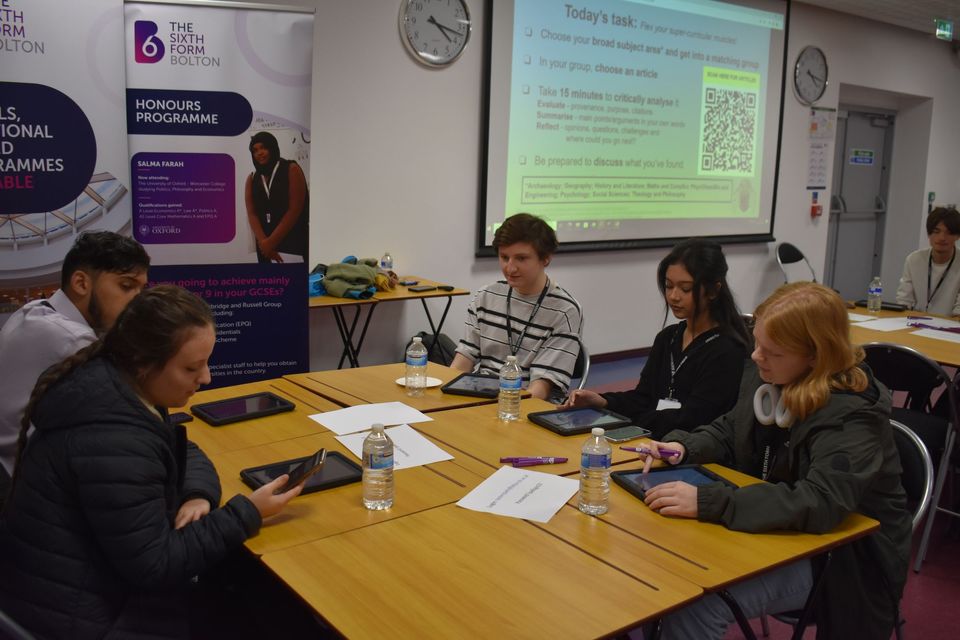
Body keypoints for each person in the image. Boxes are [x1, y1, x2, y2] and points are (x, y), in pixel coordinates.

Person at [0, 286, 304, 639]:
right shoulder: (114, 438)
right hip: (90, 620)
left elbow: (183, 449)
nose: (206, 378)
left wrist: (197, 496)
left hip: (75, 595)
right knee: (267, 604)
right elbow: (157, 565)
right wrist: (247, 512)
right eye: (192, 367)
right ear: (145, 363)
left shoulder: (116, 387)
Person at [638, 282, 911, 640]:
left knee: (693, 604)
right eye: (757, 344)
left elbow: (820, 501)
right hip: (780, 525)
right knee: (656, 573)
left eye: (772, 351)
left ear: (815, 355)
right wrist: (684, 448)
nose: (755, 356)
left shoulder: (852, 416)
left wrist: (711, 502)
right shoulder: (769, 373)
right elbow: (731, 428)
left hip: (845, 557)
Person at [0, 230, 150, 486]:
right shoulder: (73, 339)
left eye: (141, 289)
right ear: (81, 283)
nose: (138, 301)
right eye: (126, 286)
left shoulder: (33, 311)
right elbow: (131, 415)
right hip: (24, 483)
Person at [563, 238, 749, 439]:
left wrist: (631, 425)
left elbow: (694, 418)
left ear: (713, 290)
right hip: (652, 438)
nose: (674, 296)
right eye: (669, 286)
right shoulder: (668, 337)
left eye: (685, 289)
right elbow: (644, 397)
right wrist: (602, 401)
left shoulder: (727, 350)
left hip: (685, 449)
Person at [451, 213, 582, 402]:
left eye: (521, 258)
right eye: (504, 257)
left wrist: (502, 408)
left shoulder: (565, 311)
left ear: (545, 259)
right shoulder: (486, 296)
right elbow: (464, 358)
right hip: (481, 397)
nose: (510, 268)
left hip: (528, 405)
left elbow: (542, 388)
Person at [244, 131, 309, 263]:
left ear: (272, 148)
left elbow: (294, 210)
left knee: (292, 282)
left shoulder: (291, 169)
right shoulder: (252, 178)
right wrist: (264, 243)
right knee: (267, 282)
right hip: (265, 249)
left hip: (292, 242)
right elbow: (252, 213)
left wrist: (271, 242)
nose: (259, 153)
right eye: (255, 150)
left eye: (263, 148)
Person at [896, 206, 960, 316]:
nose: (942, 238)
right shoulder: (914, 260)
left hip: (950, 328)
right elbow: (904, 301)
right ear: (929, 234)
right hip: (915, 324)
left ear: (957, 236)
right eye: (936, 231)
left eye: (948, 233)